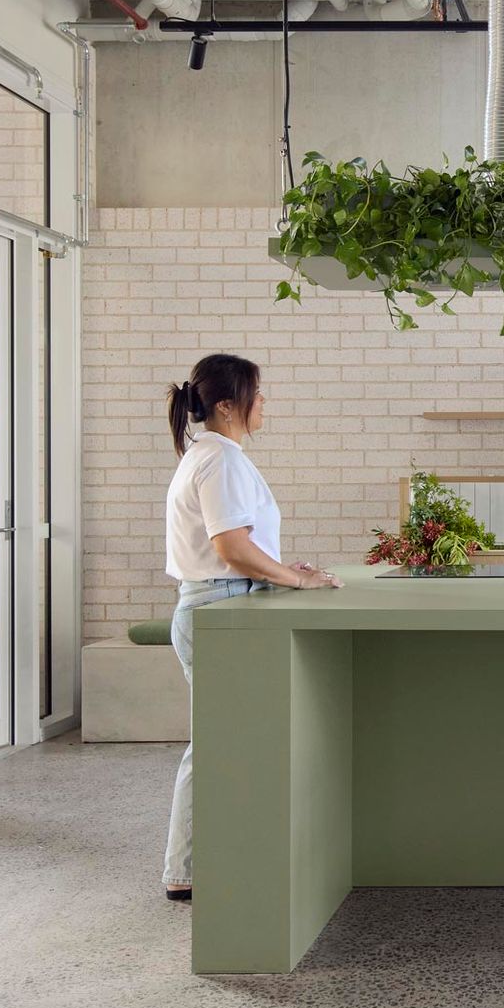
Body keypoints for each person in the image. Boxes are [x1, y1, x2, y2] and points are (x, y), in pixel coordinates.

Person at [159, 353, 335, 902]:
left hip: (219, 602)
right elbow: (231, 549)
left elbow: (241, 544)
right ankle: (184, 871)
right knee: (215, 744)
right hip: (221, 608)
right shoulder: (221, 461)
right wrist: (298, 582)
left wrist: (284, 573)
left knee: (222, 740)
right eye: (258, 395)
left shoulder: (209, 455)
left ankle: (206, 860)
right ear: (228, 406)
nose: (265, 404)